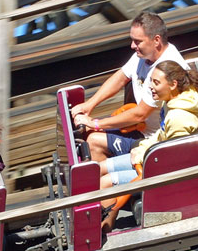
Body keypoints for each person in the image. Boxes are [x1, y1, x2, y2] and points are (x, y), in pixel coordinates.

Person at [98, 61, 198, 231]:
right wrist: (143, 147)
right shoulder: (173, 102)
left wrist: (143, 158)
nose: (150, 87)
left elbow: (173, 164)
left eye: (156, 83)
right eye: (151, 81)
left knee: (105, 182)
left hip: (162, 174)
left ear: (173, 85)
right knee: (99, 168)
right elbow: (162, 135)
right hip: (152, 158)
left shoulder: (179, 118)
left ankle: (104, 228)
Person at [70, 12, 189, 162]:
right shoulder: (145, 54)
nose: (132, 46)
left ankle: (104, 182)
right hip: (138, 128)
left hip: (152, 140)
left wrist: (96, 123)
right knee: (84, 130)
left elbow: (140, 114)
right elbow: (121, 77)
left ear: (156, 40)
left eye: (137, 41)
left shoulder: (166, 69)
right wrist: (89, 105)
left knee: (93, 141)